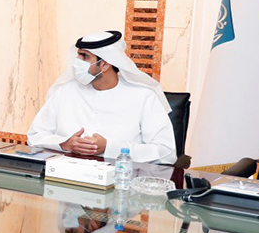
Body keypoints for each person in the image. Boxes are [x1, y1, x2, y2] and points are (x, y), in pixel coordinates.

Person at [27, 30, 176, 164]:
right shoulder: (65, 90)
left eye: (85, 56)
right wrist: (65, 144)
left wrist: (110, 148)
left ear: (104, 65)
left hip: (121, 178)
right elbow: (35, 136)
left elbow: (166, 153)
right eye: (78, 55)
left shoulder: (143, 96)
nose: (77, 62)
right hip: (66, 174)